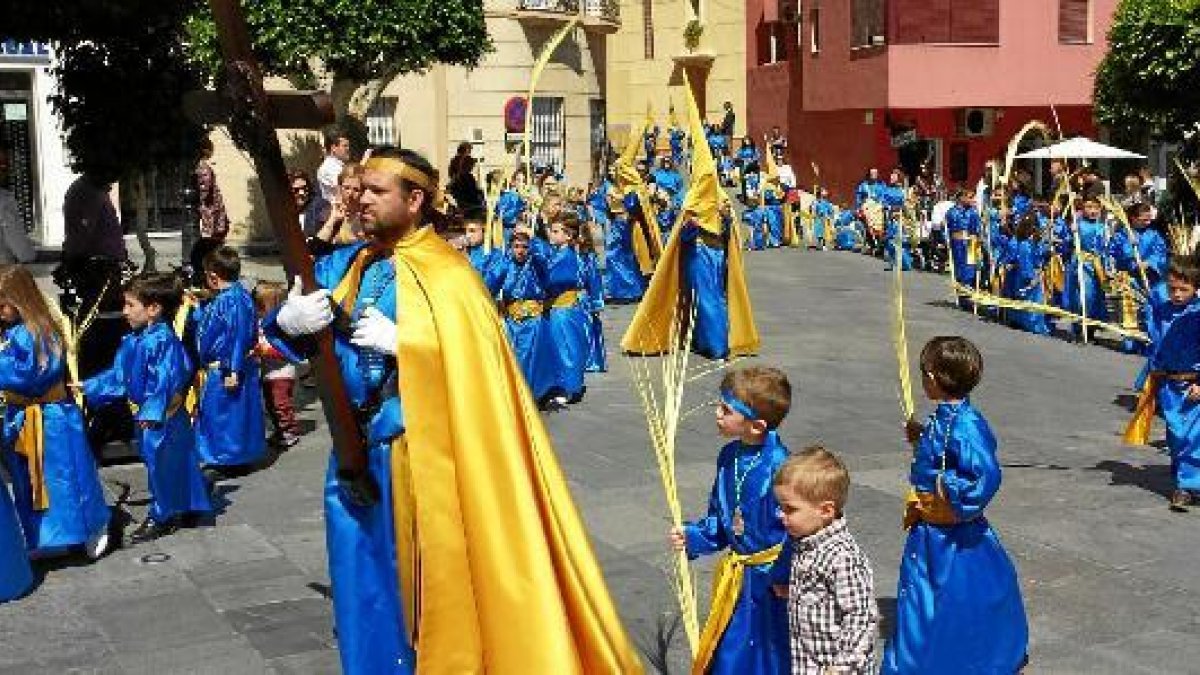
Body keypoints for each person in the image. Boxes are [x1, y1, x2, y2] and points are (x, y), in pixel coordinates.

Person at [262, 147, 641, 673]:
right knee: (362, 582)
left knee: (426, 588)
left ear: (414, 200)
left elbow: (484, 368)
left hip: (421, 456)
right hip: (352, 454)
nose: (361, 199)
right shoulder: (350, 263)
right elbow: (300, 338)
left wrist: (411, 345)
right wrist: (287, 321)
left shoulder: (451, 274)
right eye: (360, 189)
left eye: (377, 191)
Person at [883, 336, 1028, 674]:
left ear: (933, 378)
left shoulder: (967, 424)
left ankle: (939, 656)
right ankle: (926, 651)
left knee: (953, 595)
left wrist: (944, 487)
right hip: (930, 530)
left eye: (924, 375)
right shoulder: (946, 417)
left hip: (951, 529)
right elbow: (943, 451)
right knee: (926, 596)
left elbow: (984, 476)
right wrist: (921, 437)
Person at [668, 366, 792, 675]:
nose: (717, 414)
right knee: (731, 648)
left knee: (768, 652)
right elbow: (720, 517)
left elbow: (794, 529)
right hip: (737, 580)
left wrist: (786, 574)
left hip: (770, 580)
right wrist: (694, 536)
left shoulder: (780, 467)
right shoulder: (728, 457)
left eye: (727, 409)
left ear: (756, 426)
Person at [81, 273, 213, 542]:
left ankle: (162, 514)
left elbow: (166, 380)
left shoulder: (161, 341)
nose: (124, 311)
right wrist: (90, 386)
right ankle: (188, 504)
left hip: (162, 416)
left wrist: (153, 412)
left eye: (130, 305)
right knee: (175, 461)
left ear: (153, 309)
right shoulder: (138, 339)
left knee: (161, 465)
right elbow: (120, 375)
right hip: (151, 414)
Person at [0, 265, 111, 560]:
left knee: (69, 478)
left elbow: (30, 374)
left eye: (3, 304)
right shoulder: (16, 331)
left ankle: (92, 528)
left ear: (19, 299)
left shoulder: (41, 331)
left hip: (52, 419)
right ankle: (47, 535)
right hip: (24, 418)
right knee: (33, 483)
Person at [772, 445, 878, 674]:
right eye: (780, 507)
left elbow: (861, 617)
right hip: (807, 664)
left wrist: (841, 667)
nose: (781, 515)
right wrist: (794, 591)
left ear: (825, 511)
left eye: (789, 509)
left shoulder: (843, 557)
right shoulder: (805, 542)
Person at [1126, 256, 1200, 511]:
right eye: (1173, 289)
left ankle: (1187, 486)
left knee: (1193, 437)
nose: (1177, 294)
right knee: (1176, 435)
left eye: (1184, 290)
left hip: (1194, 386)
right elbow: (1155, 338)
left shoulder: (1197, 314)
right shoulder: (1163, 309)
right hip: (1169, 384)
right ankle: (1185, 478)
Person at [189, 247, 265, 472]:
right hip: (227, 365)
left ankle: (231, 458)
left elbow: (237, 335)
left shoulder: (232, 300)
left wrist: (232, 368)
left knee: (227, 416)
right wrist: (198, 308)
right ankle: (228, 456)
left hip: (227, 367)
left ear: (213, 276)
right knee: (225, 414)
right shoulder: (228, 297)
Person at [526, 212, 589, 407]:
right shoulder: (558, 253)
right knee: (556, 347)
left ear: (568, 236)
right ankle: (559, 385)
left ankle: (569, 388)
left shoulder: (566, 257)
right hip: (555, 309)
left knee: (566, 348)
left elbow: (549, 276)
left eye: (555, 231)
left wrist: (534, 243)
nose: (551, 235)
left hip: (564, 310)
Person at [497, 230, 554, 404]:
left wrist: (534, 239)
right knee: (515, 359)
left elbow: (545, 260)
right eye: (516, 246)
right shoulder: (505, 265)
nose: (520, 251)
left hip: (533, 321)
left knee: (533, 358)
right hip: (512, 321)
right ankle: (516, 395)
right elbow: (488, 284)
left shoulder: (536, 265)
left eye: (524, 247)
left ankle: (534, 394)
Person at [253, 281, 300, 449]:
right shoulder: (260, 322)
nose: (257, 308)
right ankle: (280, 430)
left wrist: (262, 351)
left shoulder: (280, 325)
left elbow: (286, 351)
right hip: (268, 372)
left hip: (282, 373)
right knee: (271, 403)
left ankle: (289, 431)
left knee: (281, 403)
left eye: (260, 304)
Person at [1062, 196, 1110, 340]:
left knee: (1096, 297)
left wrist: (1106, 266)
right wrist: (1071, 233)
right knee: (1083, 295)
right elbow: (1066, 244)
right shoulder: (1078, 225)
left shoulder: (1102, 227)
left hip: (1098, 265)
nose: (1093, 211)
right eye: (1089, 207)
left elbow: (1106, 248)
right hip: (1081, 263)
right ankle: (1079, 327)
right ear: (1083, 209)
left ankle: (1091, 328)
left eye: (1096, 208)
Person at [1004, 212, 1051, 335]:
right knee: (1030, 300)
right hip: (1027, 276)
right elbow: (1025, 263)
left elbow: (1041, 256)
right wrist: (1030, 278)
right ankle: (1031, 325)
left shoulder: (1034, 242)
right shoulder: (1024, 244)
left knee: (1035, 300)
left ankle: (1032, 323)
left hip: (1033, 273)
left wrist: (1047, 252)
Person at [191, 136, 231, 278]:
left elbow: (205, 190)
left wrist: (198, 202)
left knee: (210, 243)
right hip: (211, 211)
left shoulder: (201, 167)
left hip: (210, 210)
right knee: (210, 243)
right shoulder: (201, 166)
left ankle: (208, 270)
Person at [945, 188, 983, 309]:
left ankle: (969, 297)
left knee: (971, 269)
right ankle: (962, 298)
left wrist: (977, 239)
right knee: (960, 269)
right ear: (961, 198)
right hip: (957, 243)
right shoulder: (951, 212)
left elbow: (976, 228)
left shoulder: (973, 212)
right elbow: (947, 229)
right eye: (969, 197)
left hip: (971, 243)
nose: (972, 200)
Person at [0, 145, 38, 264]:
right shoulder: (4, 200)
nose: (5, 169)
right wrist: (30, 254)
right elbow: (22, 251)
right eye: (2, 166)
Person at [461, 218, 505, 298]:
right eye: (466, 231)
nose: (468, 235)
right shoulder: (463, 251)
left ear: (485, 232)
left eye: (472, 231)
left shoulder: (496, 255)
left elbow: (491, 286)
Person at [317, 128, 352, 203]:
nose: (348, 149)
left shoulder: (338, 165)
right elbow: (347, 190)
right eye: (345, 146)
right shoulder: (329, 168)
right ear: (333, 148)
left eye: (348, 146)